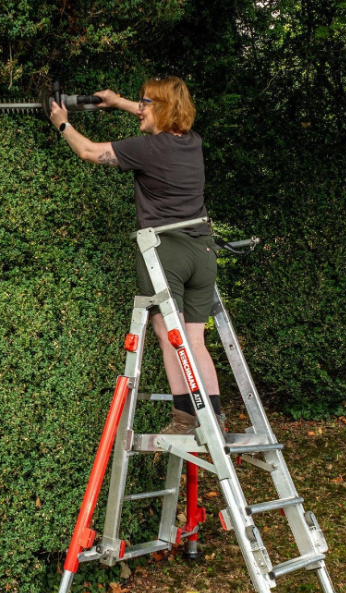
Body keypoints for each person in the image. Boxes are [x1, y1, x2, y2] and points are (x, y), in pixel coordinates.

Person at [48, 76, 223, 434]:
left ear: (160, 108)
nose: (138, 109)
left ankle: (186, 419)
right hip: (202, 251)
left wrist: (62, 122)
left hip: (166, 250)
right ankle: (215, 417)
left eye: (144, 104)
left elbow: (89, 152)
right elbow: (161, 112)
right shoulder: (192, 142)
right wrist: (117, 101)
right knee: (193, 339)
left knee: (166, 331)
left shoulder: (149, 149)